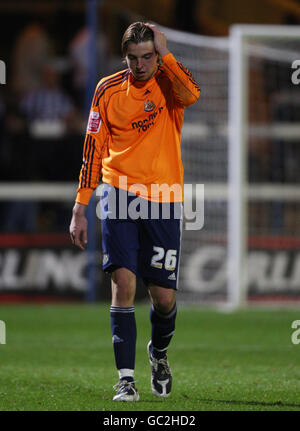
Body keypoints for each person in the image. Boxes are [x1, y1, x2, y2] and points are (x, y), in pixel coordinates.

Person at [69, 22, 200, 402]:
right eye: (134, 58)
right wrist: (80, 207)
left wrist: (167, 53)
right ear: (123, 57)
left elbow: (192, 93)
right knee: (123, 284)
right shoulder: (107, 90)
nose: (141, 65)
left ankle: (158, 353)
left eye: (148, 56)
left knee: (163, 298)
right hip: (119, 195)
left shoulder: (169, 83)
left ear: (156, 54)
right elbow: (92, 150)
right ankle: (126, 380)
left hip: (162, 198)